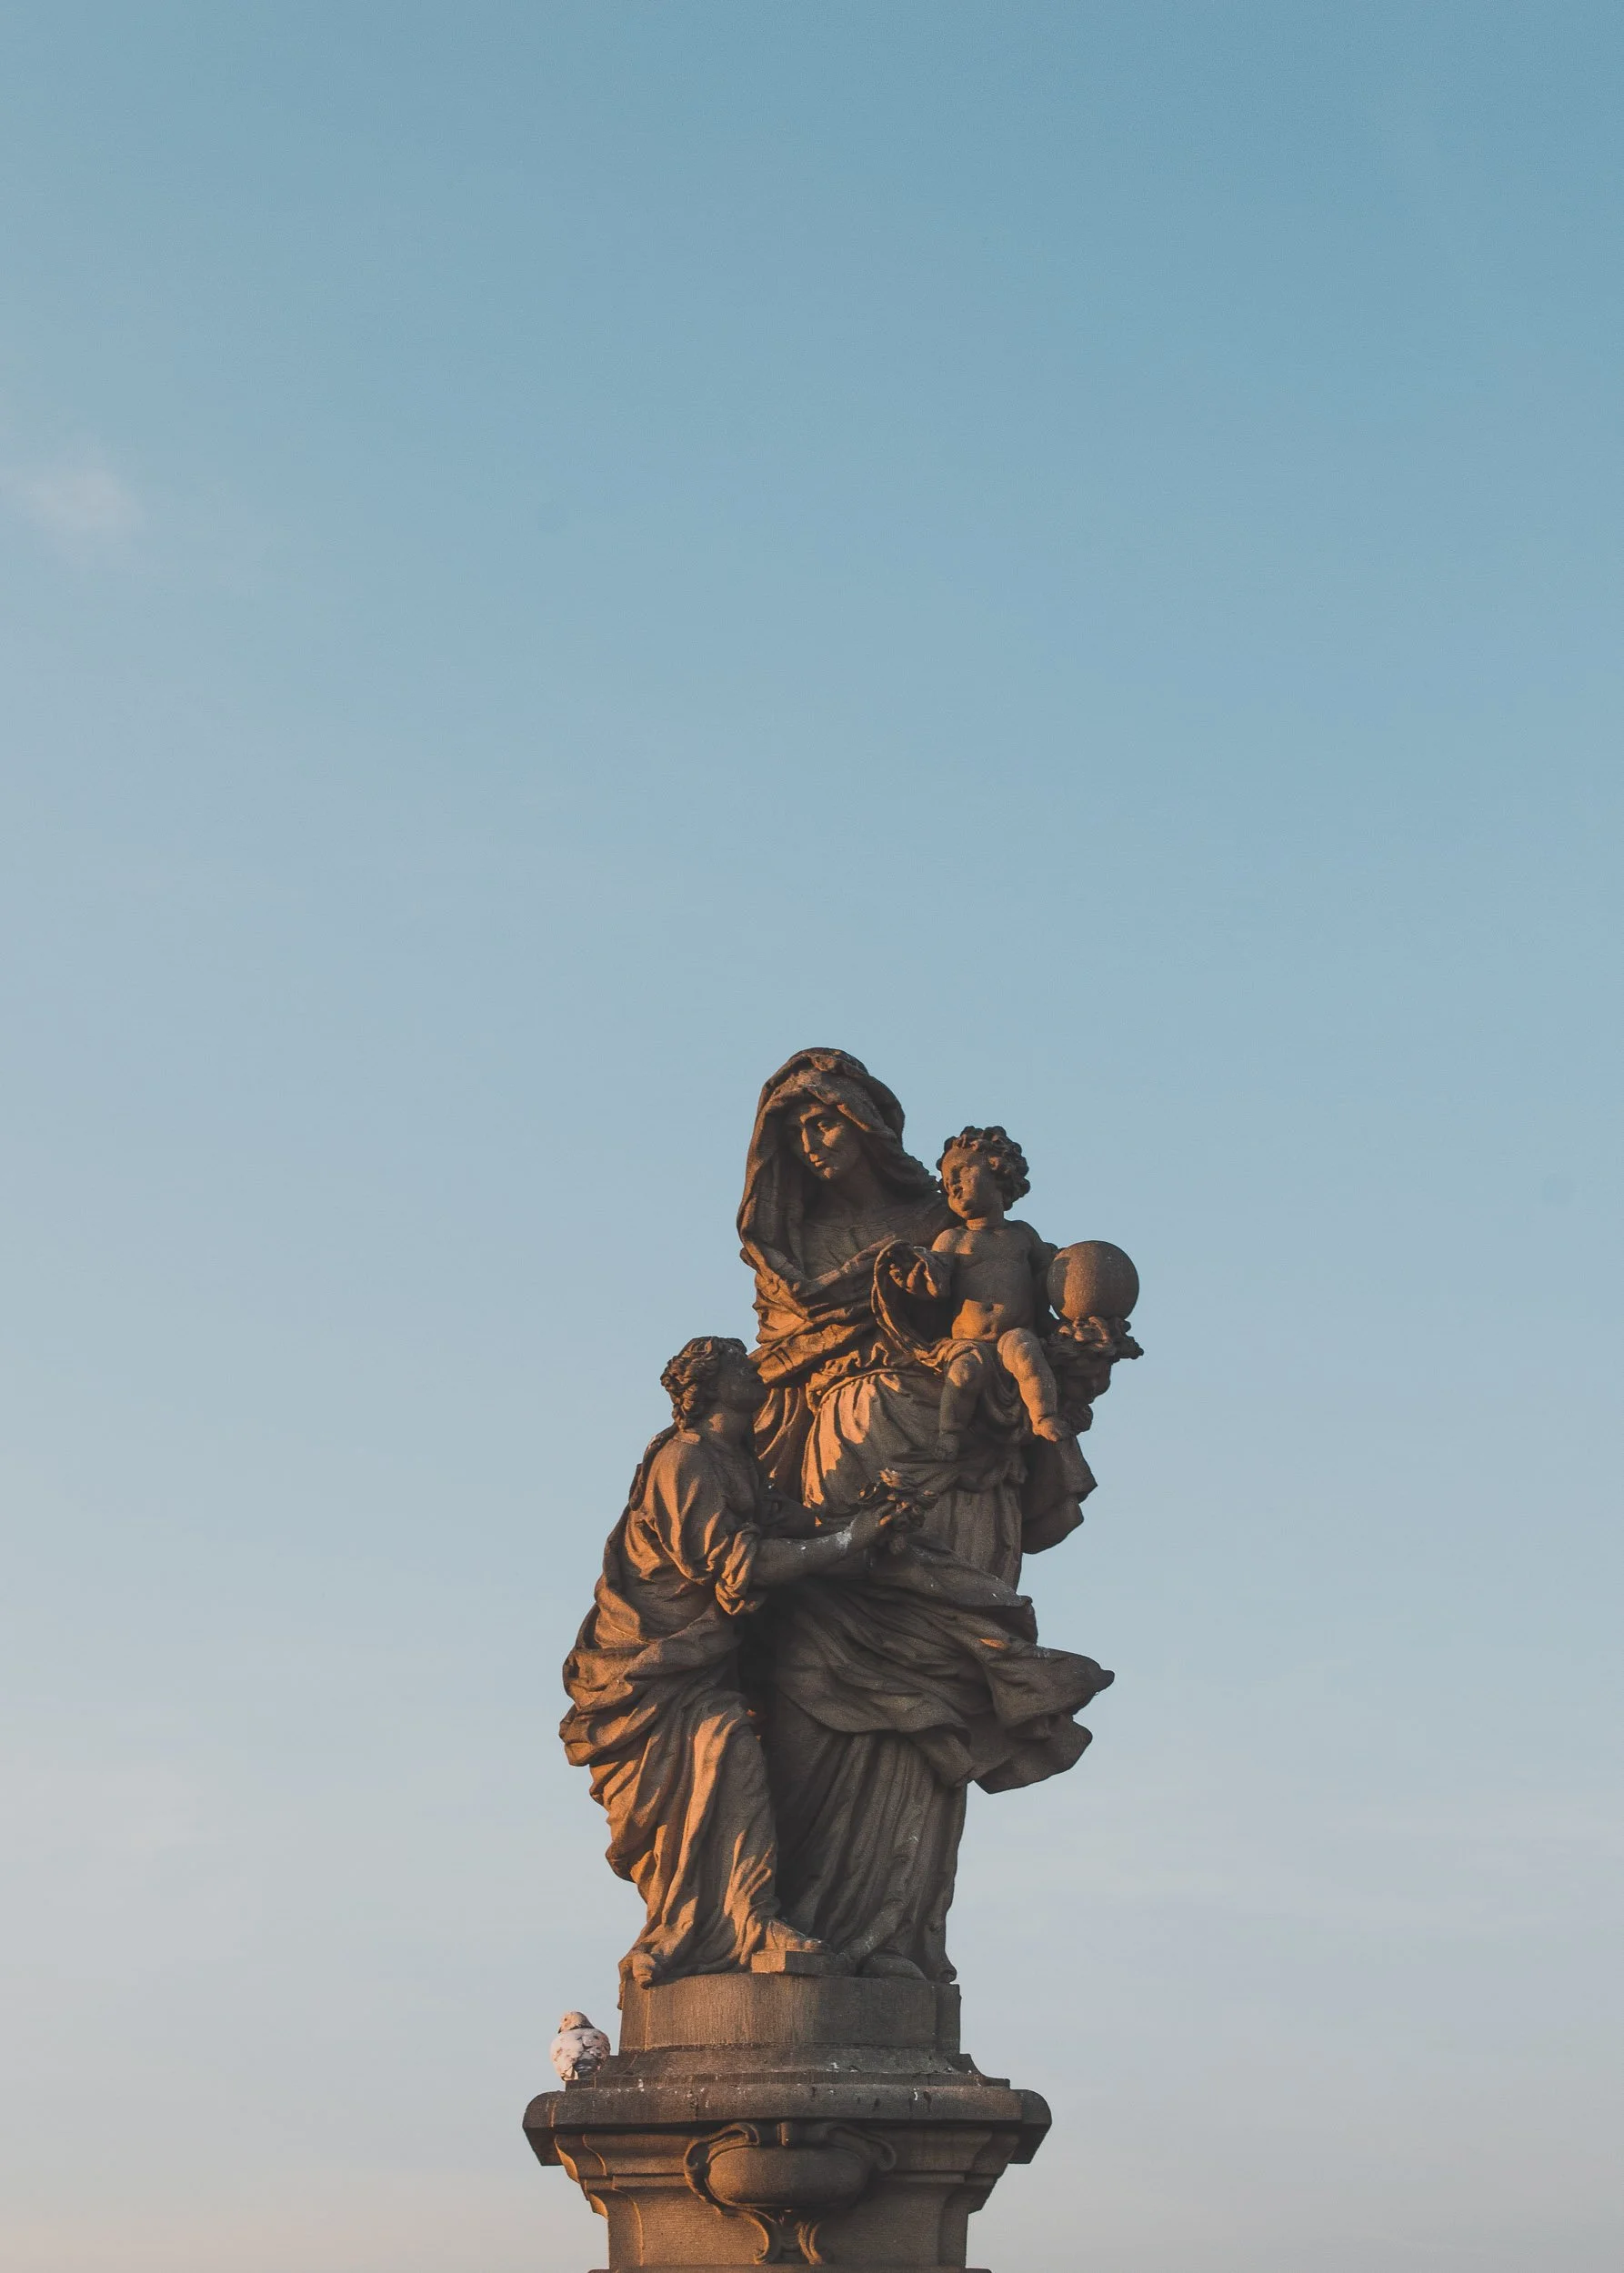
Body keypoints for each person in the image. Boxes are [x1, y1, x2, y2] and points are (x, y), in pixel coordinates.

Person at [737, 1051, 1113, 1983]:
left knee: (931, 1689)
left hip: (957, 1475)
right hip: (833, 1466)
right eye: (795, 1131)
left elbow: (1034, 1337)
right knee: (814, 1675)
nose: (813, 1143)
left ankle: (893, 1937)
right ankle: (791, 1920)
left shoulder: (950, 1227)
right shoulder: (790, 1253)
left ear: (867, 1125)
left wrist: (1082, 1351)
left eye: (826, 1120)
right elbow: (769, 1382)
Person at [561, 1334, 908, 1991]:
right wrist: (849, 1539)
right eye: (741, 1366)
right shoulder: (684, 1459)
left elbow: (786, 1523)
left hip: (698, 1661)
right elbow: (735, 1563)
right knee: (726, 1756)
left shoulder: (737, 1460)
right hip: (646, 1664)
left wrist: (874, 1521)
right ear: (713, 1387)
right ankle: (702, 1927)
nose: (756, 1371)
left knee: (730, 1766)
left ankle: (745, 1920)